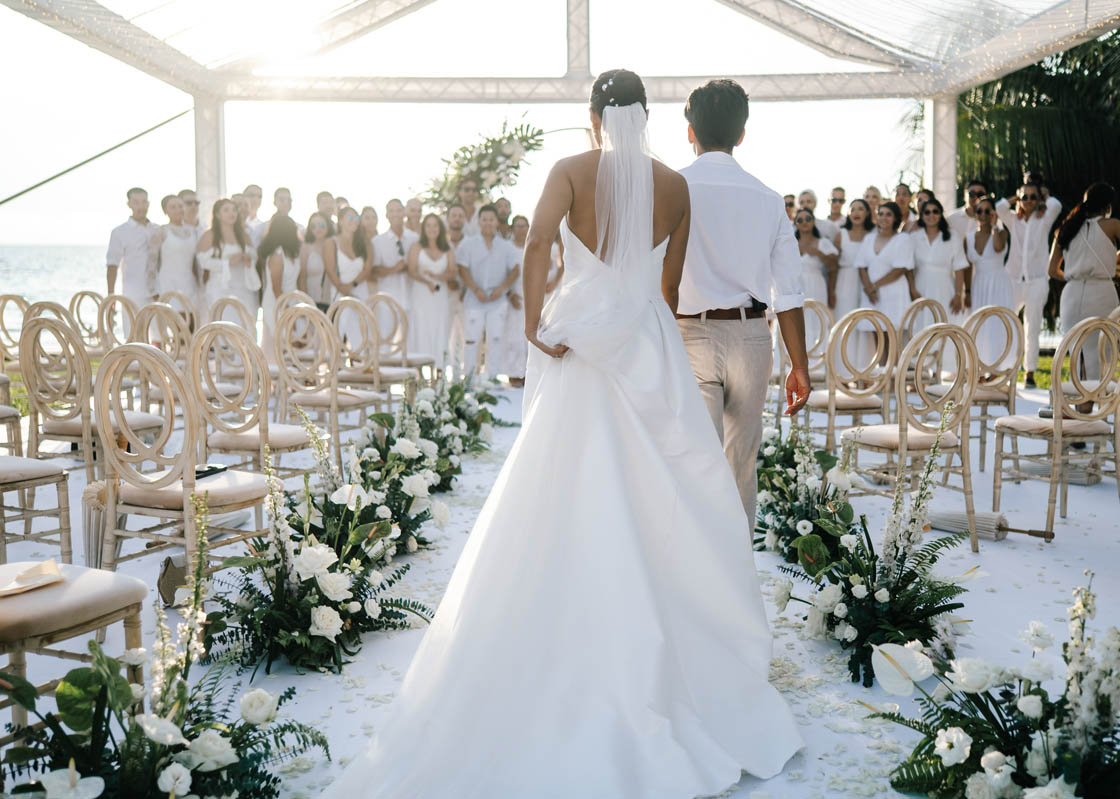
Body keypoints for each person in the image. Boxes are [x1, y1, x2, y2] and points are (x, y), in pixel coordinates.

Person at [320, 67, 803, 799]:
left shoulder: (570, 171)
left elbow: (539, 243)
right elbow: (669, 289)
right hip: (648, 342)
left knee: (563, 480)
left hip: (579, 339)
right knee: (661, 484)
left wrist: (530, 325)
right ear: (648, 117)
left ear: (594, 116)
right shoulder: (674, 187)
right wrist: (639, 322)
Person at [676, 78, 811, 534]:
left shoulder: (673, 188)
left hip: (689, 333)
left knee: (697, 458)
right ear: (741, 134)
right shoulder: (768, 199)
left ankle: (698, 557)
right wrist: (800, 366)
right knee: (741, 462)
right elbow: (788, 292)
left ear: (690, 131)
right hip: (752, 336)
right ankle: (737, 563)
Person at [1049, 182, 1120, 380]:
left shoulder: (1066, 228)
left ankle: (1079, 396)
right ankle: (1099, 398)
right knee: (1102, 351)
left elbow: (1052, 270)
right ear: (1108, 205)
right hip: (1101, 292)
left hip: (1071, 294)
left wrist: (1074, 276)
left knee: (1076, 352)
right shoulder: (1112, 225)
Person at [997, 182, 1062, 387]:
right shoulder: (1013, 220)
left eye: (1033, 197)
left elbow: (1056, 206)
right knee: (1007, 324)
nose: (1028, 201)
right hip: (1013, 279)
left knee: (1032, 327)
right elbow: (999, 208)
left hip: (1037, 280)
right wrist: (1015, 198)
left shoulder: (1044, 220)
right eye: (1025, 197)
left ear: (1039, 199)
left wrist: (1045, 196)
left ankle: (1030, 372)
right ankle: (1004, 368)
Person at [457, 205, 521, 383]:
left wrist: (502, 288)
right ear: (479, 221)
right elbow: (462, 269)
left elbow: (515, 270)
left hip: (497, 300)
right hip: (474, 298)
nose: (487, 223)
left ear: (496, 222)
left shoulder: (506, 246)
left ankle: (492, 378)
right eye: (484, 219)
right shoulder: (468, 244)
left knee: (495, 339)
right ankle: (469, 378)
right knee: (471, 339)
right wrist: (475, 289)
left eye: (491, 219)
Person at [406, 213, 457, 371]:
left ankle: (439, 369)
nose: (432, 229)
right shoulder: (416, 247)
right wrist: (427, 282)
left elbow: (452, 272)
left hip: (439, 295)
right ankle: (419, 370)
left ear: (440, 228)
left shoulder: (447, 248)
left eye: (435, 225)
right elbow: (412, 271)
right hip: (421, 294)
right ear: (424, 228)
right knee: (421, 328)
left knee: (439, 328)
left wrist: (437, 277)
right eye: (428, 225)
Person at [967, 197, 1014, 369]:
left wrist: (994, 226)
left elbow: (998, 248)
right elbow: (968, 266)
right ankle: (979, 367)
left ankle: (997, 368)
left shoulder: (1001, 233)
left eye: (988, 211)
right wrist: (966, 292)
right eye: (980, 211)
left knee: (997, 324)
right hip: (979, 284)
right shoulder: (968, 237)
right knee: (979, 325)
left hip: (998, 283)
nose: (983, 214)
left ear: (993, 213)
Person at [856, 200, 916, 337]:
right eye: (881, 214)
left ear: (895, 218)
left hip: (894, 292)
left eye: (888, 214)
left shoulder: (903, 239)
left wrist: (874, 286)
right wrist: (868, 288)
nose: (884, 217)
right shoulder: (869, 238)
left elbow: (900, 269)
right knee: (876, 335)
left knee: (892, 337)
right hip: (872, 295)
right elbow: (861, 266)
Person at [196, 198, 258, 325]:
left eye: (234, 210)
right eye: (226, 210)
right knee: (224, 324)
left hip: (244, 288)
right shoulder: (209, 235)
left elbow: (254, 256)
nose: (232, 213)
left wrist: (247, 259)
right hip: (220, 288)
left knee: (246, 323)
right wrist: (227, 262)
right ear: (218, 214)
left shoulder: (244, 235)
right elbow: (203, 262)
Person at [830, 199, 873, 374]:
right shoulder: (841, 234)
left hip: (867, 283)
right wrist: (831, 290)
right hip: (844, 282)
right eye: (853, 209)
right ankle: (842, 372)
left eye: (860, 209)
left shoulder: (873, 234)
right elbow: (833, 265)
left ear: (867, 213)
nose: (856, 212)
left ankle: (865, 371)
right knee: (844, 323)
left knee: (864, 324)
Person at [910, 198, 968, 327]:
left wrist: (958, 295)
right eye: (927, 212)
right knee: (921, 326)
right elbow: (908, 268)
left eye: (935, 211)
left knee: (945, 323)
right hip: (921, 289)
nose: (931, 215)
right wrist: (912, 289)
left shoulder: (953, 236)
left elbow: (959, 269)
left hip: (946, 289)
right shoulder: (914, 238)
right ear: (922, 215)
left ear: (941, 214)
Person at [105, 188, 159, 324]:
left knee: (160, 334)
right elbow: (112, 265)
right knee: (133, 334)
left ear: (148, 203)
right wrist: (111, 296)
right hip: (133, 295)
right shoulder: (119, 232)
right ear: (129, 204)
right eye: (136, 202)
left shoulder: (157, 229)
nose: (141, 206)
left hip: (158, 293)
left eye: (144, 202)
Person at [324, 206, 374, 348]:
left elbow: (367, 268)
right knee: (337, 335)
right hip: (339, 292)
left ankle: (361, 359)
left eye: (357, 218)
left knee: (361, 334)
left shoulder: (365, 242)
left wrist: (352, 286)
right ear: (340, 221)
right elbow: (330, 270)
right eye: (350, 217)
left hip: (360, 291)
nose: (354, 221)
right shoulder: (331, 242)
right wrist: (343, 289)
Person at [257, 213, 303, 363]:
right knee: (281, 343)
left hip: (292, 301)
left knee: (297, 344)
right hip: (277, 304)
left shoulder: (293, 254)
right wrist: (288, 313)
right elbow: (276, 288)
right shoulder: (277, 255)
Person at [793, 209, 838, 351]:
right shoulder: (791, 243)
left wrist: (819, 253)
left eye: (808, 219)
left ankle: (818, 357)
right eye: (800, 220)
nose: (804, 222)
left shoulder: (823, 242)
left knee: (817, 318)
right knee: (798, 320)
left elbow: (833, 267)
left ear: (813, 221)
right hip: (795, 287)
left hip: (816, 285)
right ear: (795, 224)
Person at [154, 194, 200, 312]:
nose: (178, 210)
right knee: (174, 318)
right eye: (173, 207)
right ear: (165, 211)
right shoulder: (161, 231)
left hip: (190, 284)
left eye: (180, 206)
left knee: (192, 319)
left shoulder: (193, 231)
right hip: (168, 285)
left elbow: (196, 263)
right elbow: (152, 263)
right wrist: (154, 290)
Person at [503, 214, 531, 386]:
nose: (521, 229)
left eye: (524, 226)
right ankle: (513, 372)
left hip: (532, 296)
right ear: (512, 229)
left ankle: (528, 373)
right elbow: (499, 273)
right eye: (518, 226)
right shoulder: (506, 248)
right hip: (512, 297)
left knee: (529, 337)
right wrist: (509, 294)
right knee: (513, 337)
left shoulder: (534, 245)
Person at [445, 203, 469, 375]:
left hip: (467, 296)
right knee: (446, 335)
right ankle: (447, 375)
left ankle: (465, 375)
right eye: (454, 215)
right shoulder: (441, 243)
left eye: (460, 216)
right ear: (447, 219)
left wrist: (465, 287)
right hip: (444, 295)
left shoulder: (472, 243)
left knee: (466, 336)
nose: (457, 219)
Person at [373, 199, 410, 311]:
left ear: (404, 212)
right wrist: (394, 269)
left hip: (412, 299)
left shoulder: (415, 238)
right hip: (387, 302)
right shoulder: (377, 241)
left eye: (399, 210)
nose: (395, 214)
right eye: (391, 211)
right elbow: (374, 271)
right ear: (386, 215)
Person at [300, 213, 334, 308]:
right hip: (312, 301)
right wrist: (306, 302)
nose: (318, 229)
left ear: (328, 226)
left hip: (333, 300)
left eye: (321, 225)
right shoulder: (306, 247)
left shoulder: (335, 245)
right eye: (313, 226)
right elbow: (302, 276)